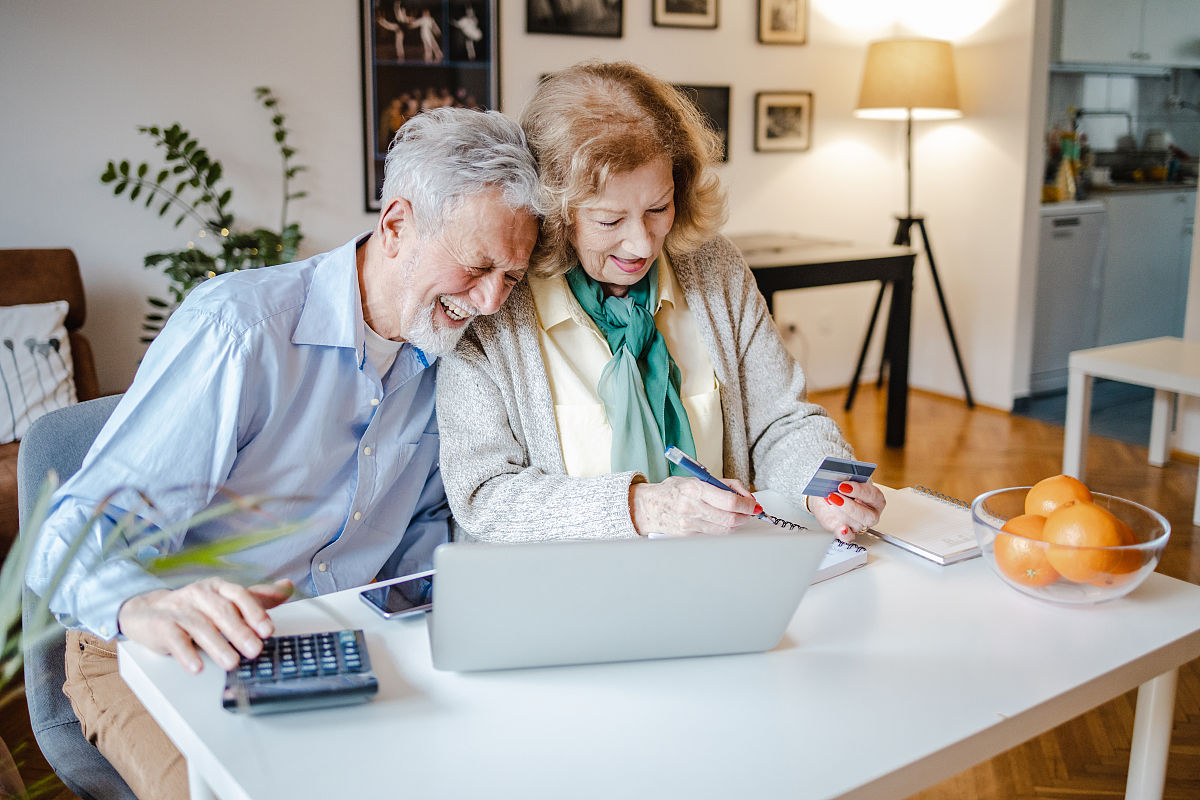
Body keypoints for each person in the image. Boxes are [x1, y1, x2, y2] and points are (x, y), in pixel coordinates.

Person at [25, 107, 540, 800]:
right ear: (396, 226)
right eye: (477, 266)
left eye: (510, 276)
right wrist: (142, 604)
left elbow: (424, 529)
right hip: (154, 646)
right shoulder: (240, 330)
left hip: (328, 639)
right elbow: (68, 535)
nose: (491, 301)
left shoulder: (452, 357)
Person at [436, 61, 884, 543]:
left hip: (717, 565)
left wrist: (826, 483)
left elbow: (781, 420)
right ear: (556, 213)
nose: (642, 244)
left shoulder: (714, 268)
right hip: (569, 581)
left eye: (658, 208)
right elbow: (483, 495)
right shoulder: (495, 301)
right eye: (609, 221)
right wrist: (640, 508)